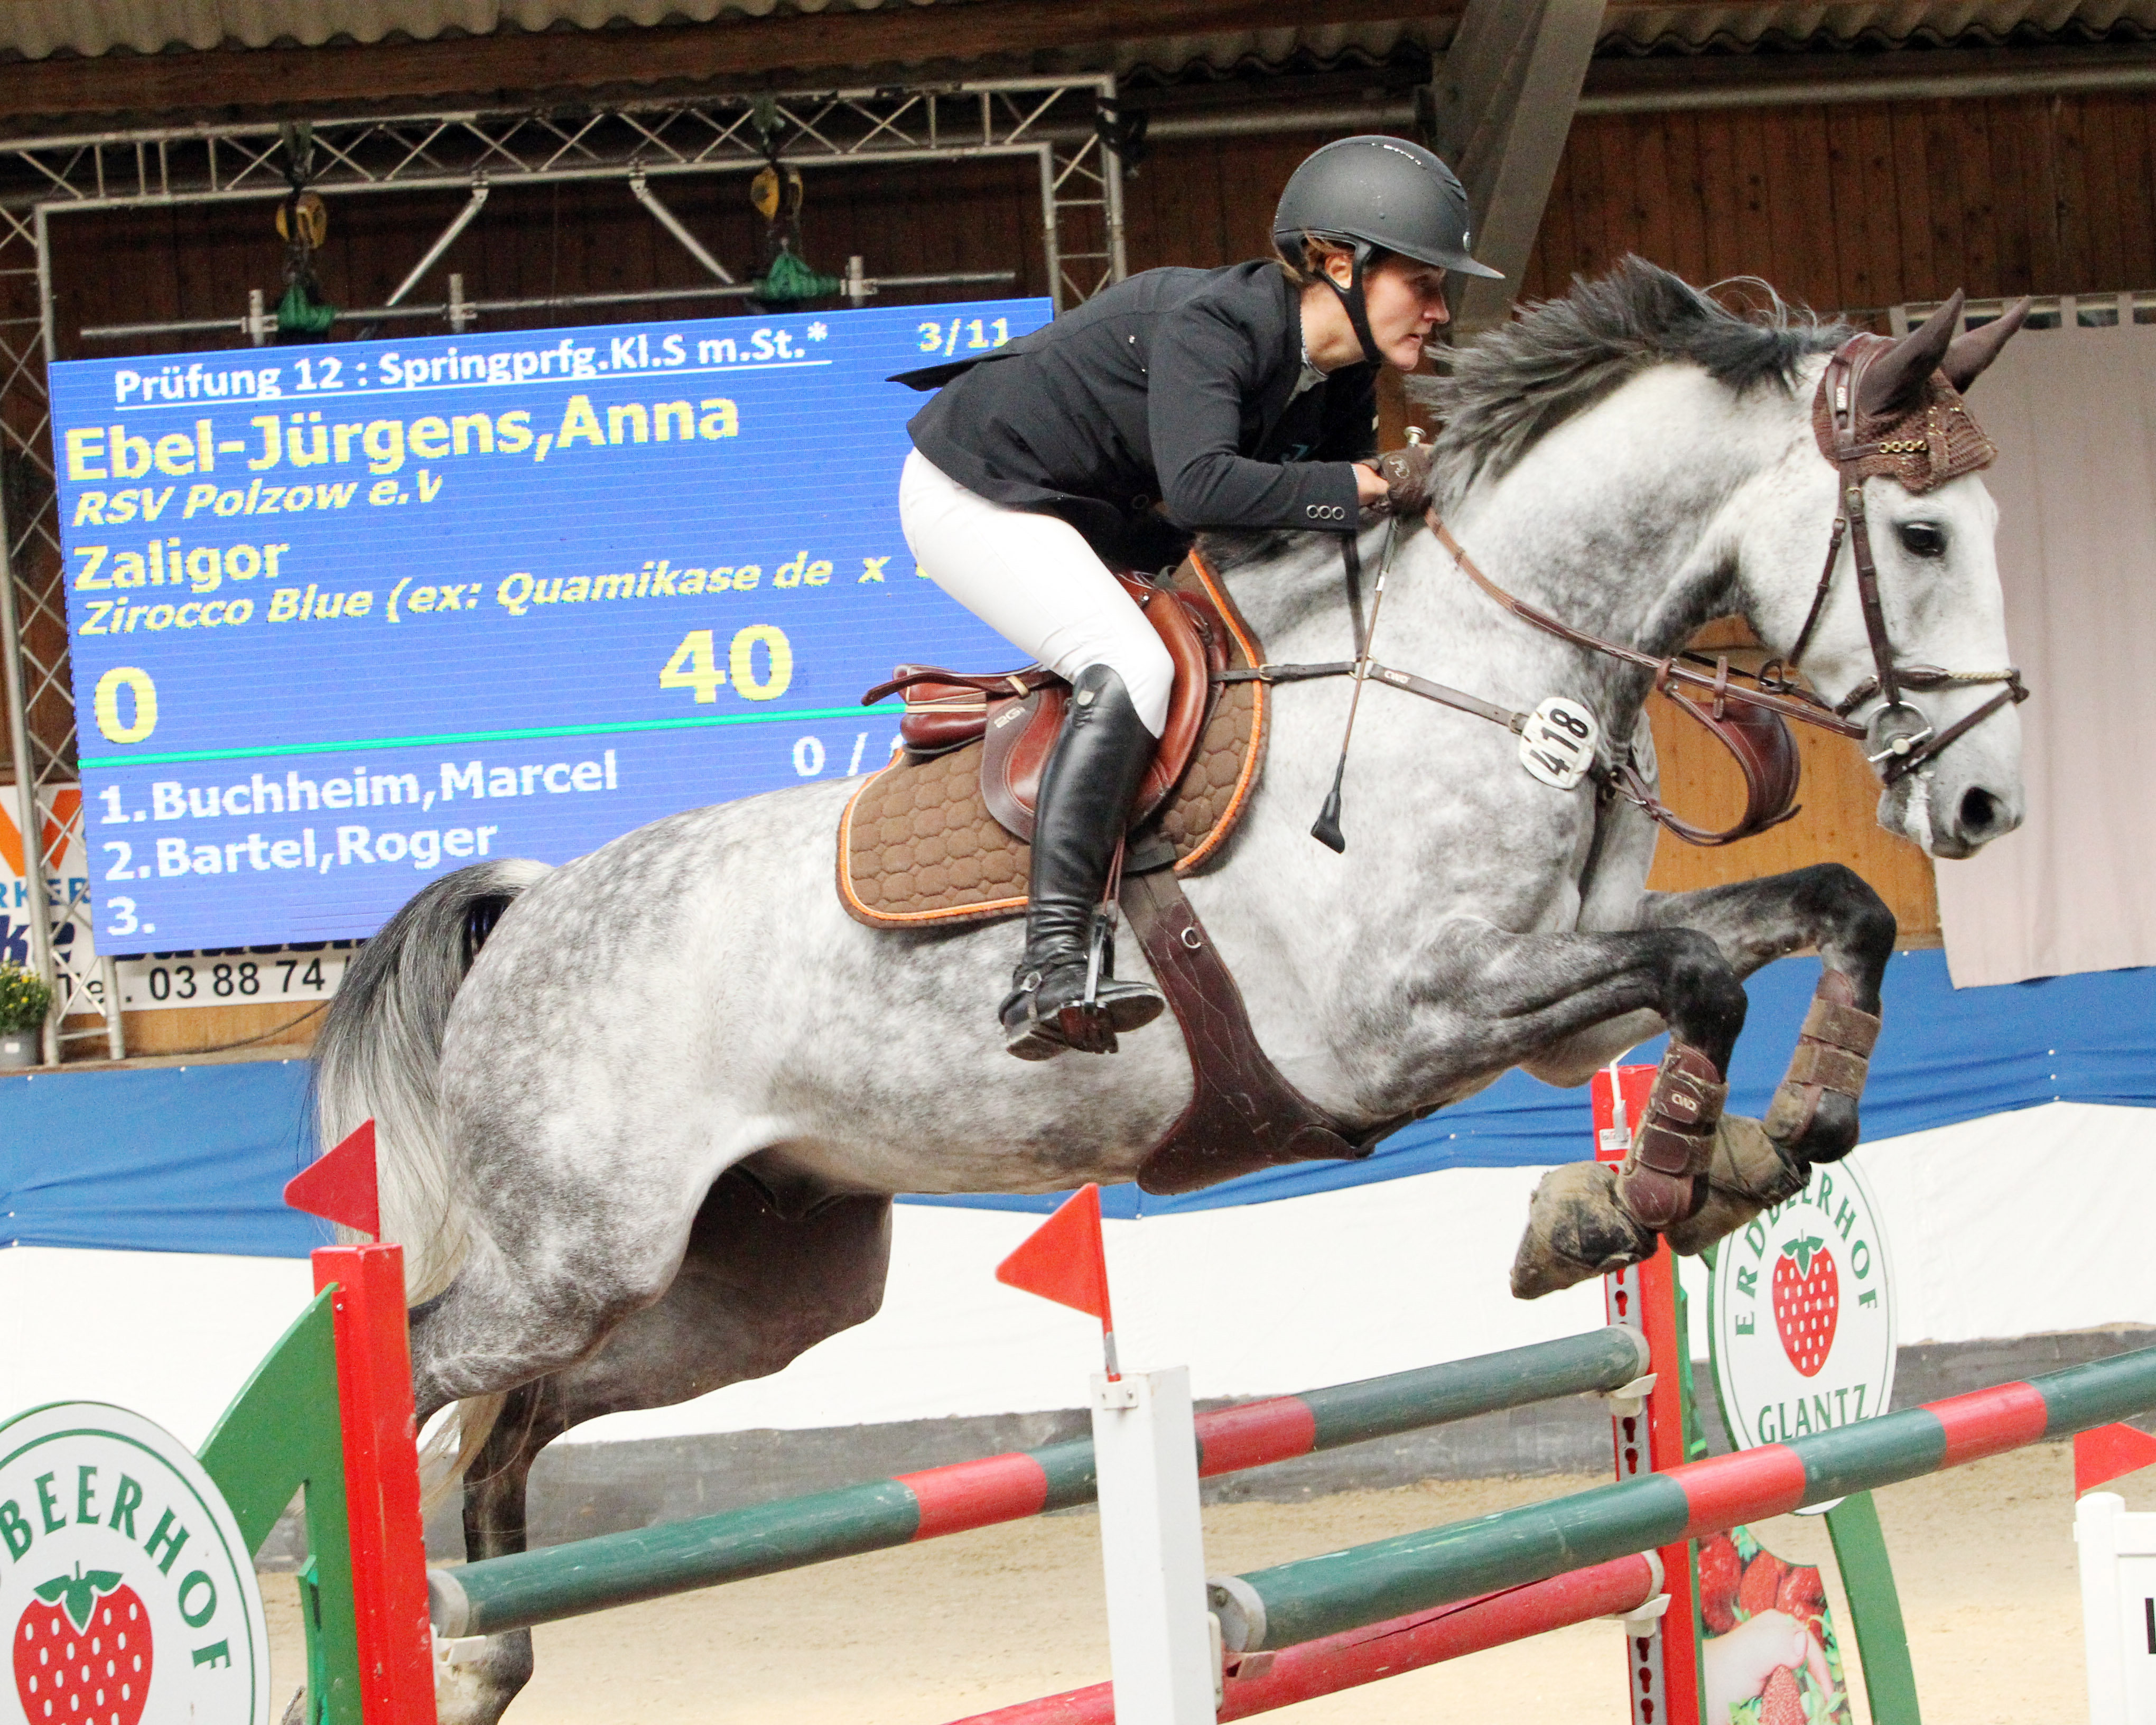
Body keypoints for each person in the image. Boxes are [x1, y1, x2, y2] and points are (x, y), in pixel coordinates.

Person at [894, 135, 1500, 1061]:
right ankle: (1053, 967)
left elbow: (1319, 514)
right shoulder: (1214, 324)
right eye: (1422, 282)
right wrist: (1376, 482)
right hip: (978, 490)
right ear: (1341, 265)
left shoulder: (1342, 376)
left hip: (1100, 517)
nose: (1442, 309)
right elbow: (1209, 490)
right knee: (1129, 663)